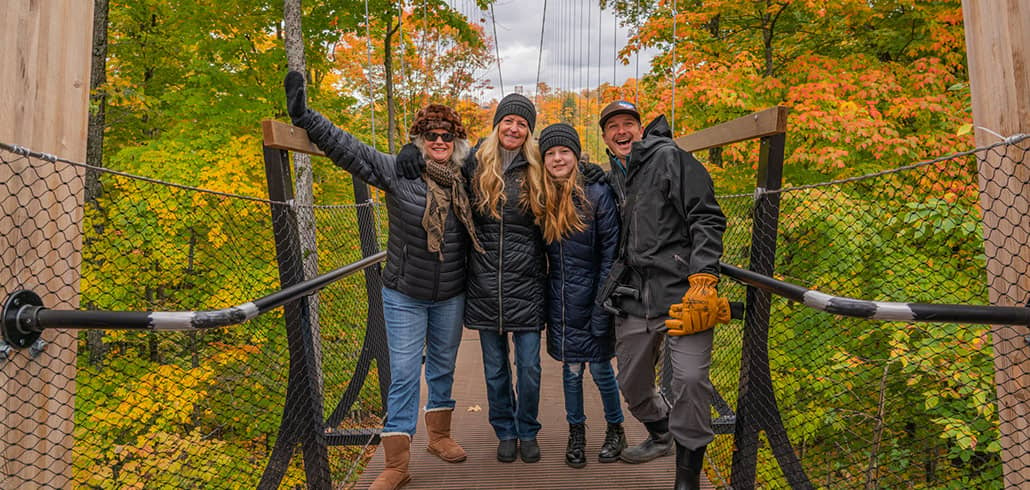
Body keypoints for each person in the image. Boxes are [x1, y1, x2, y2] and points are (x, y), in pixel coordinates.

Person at [285, 71, 481, 490]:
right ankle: (397, 463)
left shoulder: (470, 179)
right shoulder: (398, 171)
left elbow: (519, 168)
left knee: (443, 367)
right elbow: (347, 148)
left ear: (458, 141)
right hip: (404, 293)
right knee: (407, 372)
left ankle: (440, 437)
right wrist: (304, 116)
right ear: (419, 139)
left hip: (450, 294)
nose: (440, 141)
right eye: (430, 134)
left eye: (447, 135)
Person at [399, 93, 550, 464]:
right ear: (497, 124)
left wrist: (594, 172)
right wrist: (410, 151)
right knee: (495, 368)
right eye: (508, 121)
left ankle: (528, 428)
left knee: (529, 367)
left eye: (522, 124)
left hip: (527, 283)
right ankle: (506, 430)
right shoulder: (474, 163)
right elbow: (439, 157)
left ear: (528, 131)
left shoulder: (539, 167)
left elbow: (572, 172)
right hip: (483, 283)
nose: (513, 128)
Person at [596, 100, 729, 490]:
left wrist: (704, 278)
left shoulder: (670, 159)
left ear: (641, 129)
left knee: (689, 382)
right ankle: (661, 435)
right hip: (634, 296)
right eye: (613, 127)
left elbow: (706, 216)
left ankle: (686, 478)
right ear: (604, 137)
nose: (621, 131)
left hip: (682, 294)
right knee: (632, 384)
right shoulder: (615, 176)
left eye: (628, 124)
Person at [537, 123, 627, 469]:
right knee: (571, 370)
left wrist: (602, 304)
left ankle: (615, 429)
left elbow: (610, 254)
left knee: (602, 369)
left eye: (565, 152)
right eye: (550, 153)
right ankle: (577, 432)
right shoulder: (541, 194)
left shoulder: (597, 193)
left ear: (576, 156)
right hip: (560, 299)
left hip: (594, 296)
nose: (558, 158)